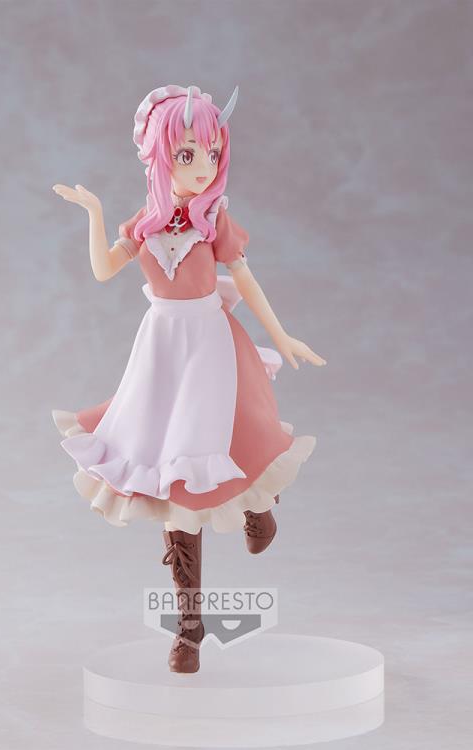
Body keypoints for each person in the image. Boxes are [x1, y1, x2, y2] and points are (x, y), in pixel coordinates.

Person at [51, 84, 327, 673]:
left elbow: (246, 281)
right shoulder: (145, 225)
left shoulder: (214, 219)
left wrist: (282, 336)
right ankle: (190, 627)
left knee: (235, 439)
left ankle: (258, 506)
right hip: (161, 352)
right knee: (170, 476)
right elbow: (102, 271)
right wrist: (95, 214)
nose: (203, 167)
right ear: (159, 155)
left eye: (212, 153)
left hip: (211, 347)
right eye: (187, 154)